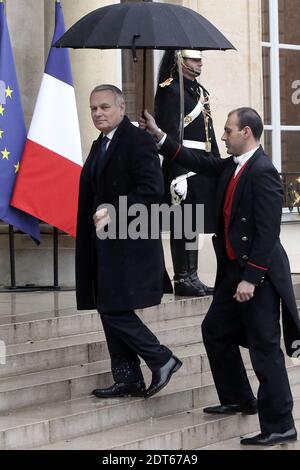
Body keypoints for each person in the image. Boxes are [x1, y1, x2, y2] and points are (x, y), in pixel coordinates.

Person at [139, 107, 300, 445]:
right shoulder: (232, 165)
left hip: (260, 276)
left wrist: (251, 279)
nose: (223, 137)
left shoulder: (263, 171)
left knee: (264, 349)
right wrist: (159, 135)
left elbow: (268, 232)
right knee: (214, 330)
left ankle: (280, 424)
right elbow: (198, 162)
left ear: (247, 134)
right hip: (233, 273)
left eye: (228, 131)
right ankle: (239, 398)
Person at [75, 84, 182, 400]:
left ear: (121, 108)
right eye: (94, 108)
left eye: (105, 107)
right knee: (107, 304)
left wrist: (114, 212)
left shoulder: (137, 141)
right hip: (104, 245)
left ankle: (162, 358)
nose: (98, 113)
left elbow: (152, 190)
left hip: (130, 245)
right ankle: (127, 377)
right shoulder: (101, 144)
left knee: (112, 308)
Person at [154, 50, 220, 297]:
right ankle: (182, 277)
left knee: (194, 223)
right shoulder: (169, 90)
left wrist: (216, 164)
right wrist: (178, 172)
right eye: (194, 58)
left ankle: (193, 275)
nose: (199, 62)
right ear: (179, 60)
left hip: (202, 164)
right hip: (182, 166)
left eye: (200, 58)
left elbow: (208, 134)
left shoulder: (200, 91)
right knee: (183, 223)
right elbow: (169, 135)